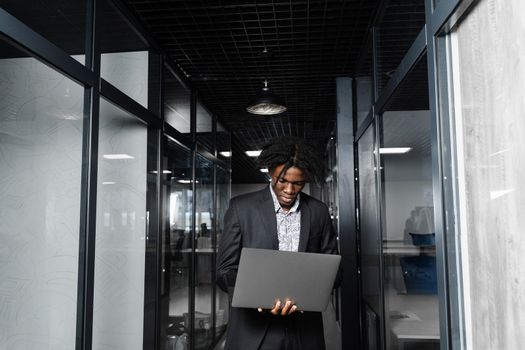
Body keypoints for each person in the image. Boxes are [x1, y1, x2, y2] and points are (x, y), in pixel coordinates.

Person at [216, 137, 339, 350]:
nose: (290, 190)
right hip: (253, 332)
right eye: (282, 181)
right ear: (270, 172)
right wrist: (258, 297)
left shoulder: (318, 211)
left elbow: (335, 272)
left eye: (298, 183)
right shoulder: (241, 208)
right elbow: (224, 272)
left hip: (304, 332)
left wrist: (306, 295)